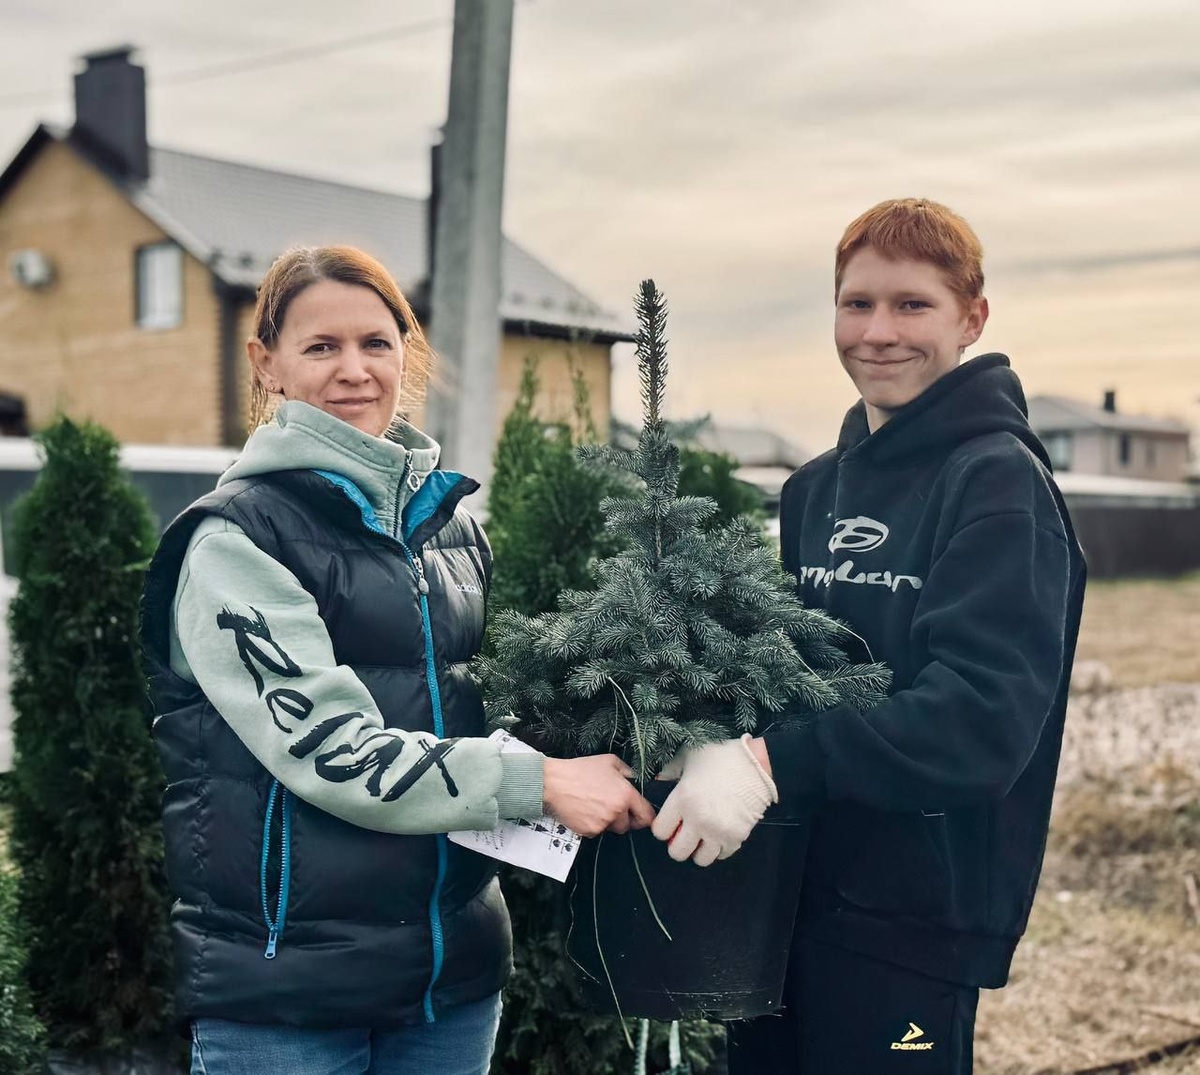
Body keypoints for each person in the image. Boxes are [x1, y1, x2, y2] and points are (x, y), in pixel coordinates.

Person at [139, 245, 655, 1075]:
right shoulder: (236, 540)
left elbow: (477, 712)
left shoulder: (450, 528)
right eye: (321, 346)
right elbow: (337, 754)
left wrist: (640, 725)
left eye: (376, 343)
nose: (354, 370)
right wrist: (546, 783)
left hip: (450, 985)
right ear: (265, 363)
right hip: (291, 1001)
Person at [650, 199, 1086, 1072]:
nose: (879, 332)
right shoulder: (814, 489)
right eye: (857, 304)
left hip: (911, 928)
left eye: (911, 304)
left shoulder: (999, 485)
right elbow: (789, 665)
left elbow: (979, 721)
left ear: (972, 317)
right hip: (778, 898)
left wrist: (769, 763)